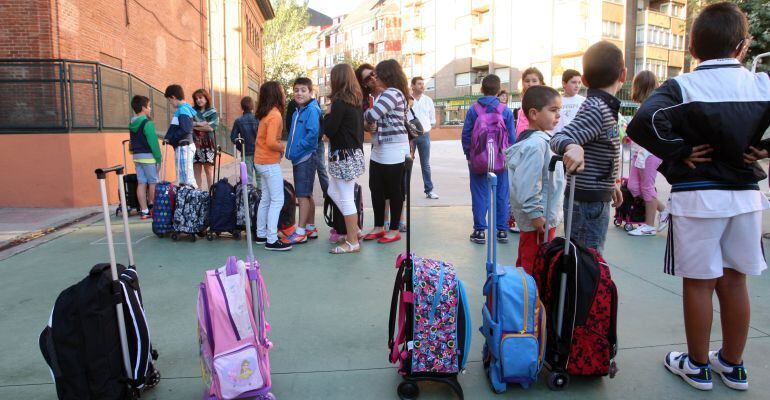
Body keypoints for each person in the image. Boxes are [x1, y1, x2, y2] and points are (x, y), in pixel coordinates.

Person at [628, 2, 770, 391]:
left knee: (699, 282)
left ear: (692, 48)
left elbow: (643, 122)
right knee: (736, 279)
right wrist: (766, 148)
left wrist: (680, 151)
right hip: (744, 197)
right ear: (742, 46)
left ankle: (696, 365)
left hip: (697, 197)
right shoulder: (762, 84)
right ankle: (733, 365)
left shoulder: (682, 86)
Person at [549, 41, 625, 253]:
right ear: (623, 75)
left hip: (594, 198)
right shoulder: (597, 108)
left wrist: (610, 184)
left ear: (583, 80)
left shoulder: (603, 107)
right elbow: (558, 138)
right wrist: (572, 146)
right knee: (585, 263)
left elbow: (599, 152)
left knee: (588, 260)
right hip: (586, 204)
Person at [506, 86, 564, 273]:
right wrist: (536, 216)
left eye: (559, 111)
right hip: (539, 222)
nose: (558, 115)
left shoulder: (537, 141)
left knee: (528, 262)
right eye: (553, 110)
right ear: (533, 113)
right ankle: (530, 301)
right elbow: (528, 185)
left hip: (540, 219)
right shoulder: (536, 145)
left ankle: (524, 298)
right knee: (534, 268)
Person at [461, 74, 516, 244]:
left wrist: (468, 155)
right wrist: (508, 157)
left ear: (482, 89)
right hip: (500, 159)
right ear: (499, 90)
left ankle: (479, 232)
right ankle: (502, 231)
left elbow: (466, 135)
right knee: (501, 194)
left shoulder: (473, 109)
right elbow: (512, 138)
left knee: (479, 194)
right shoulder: (505, 110)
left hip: (478, 159)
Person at [361, 59, 411, 244]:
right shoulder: (383, 95)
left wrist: (367, 117)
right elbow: (371, 121)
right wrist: (369, 121)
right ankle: (379, 226)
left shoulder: (393, 93)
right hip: (380, 148)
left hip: (394, 149)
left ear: (386, 75)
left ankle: (394, 229)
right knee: (376, 189)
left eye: (377, 74)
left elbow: (371, 115)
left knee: (394, 190)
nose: (374, 78)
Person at [323, 63, 366, 254]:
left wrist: (326, 117)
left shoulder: (340, 103)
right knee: (333, 190)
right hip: (352, 154)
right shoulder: (356, 101)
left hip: (343, 156)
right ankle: (354, 231)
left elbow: (330, 130)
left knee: (347, 198)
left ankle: (352, 242)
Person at [625, 71, 669, 236]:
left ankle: (649, 225)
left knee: (646, 186)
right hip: (640, 152)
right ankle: (664, 210)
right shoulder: (646, 106)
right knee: (633, 186)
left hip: (649, 153)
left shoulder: (654, 107)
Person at [283, 77, 322, 245]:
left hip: (305, 157)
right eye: (296, 90)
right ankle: (310, 228)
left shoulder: (312, 110)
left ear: (310, 92)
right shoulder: (297, 111)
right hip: (300, 157)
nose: (299, 93)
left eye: (303, 90)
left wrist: (296, 150)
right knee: (307, 194)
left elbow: (313, 135)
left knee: (302, 195)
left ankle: (300, 232)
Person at [253, 81, 291, 251]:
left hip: (260, 161)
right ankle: (271, 239)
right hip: (269, 162)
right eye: (282, 91)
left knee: (266, 199)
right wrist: (282, 147)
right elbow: (270, 142)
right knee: (277, 200)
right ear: (277, 94)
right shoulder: (275, 115)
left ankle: (261, 234)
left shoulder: (265, 114)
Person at [128, 95, 162, 219]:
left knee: (141, 183)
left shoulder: (132, 123)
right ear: (143, 108)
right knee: (153, 182)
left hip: (137, 157)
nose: (150, 108)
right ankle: (153, 207)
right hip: (148, 157)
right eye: (149, 106)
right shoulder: (147, 123)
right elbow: (153, 142)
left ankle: (144, 210)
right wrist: (158, 158)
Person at [410, 76, 439, 200]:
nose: (422, 86)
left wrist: (426, 128)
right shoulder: (407, 100)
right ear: (412, 86)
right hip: (410, 136)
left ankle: (429, 190)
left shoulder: (428, 100)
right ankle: (404, 191)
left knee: (425, 164)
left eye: (423, 83)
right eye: (419, 84)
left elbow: (432, 119)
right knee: (408, 164)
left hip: (424, 135)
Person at [163, 84, 197, 188]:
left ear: (173, 97)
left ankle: (192, 200)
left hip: (184, 146)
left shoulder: (182, 110)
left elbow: (185, 129)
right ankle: (191, 199)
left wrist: (171, 138)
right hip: (185, 145)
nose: (170, 103)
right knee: (185, 176)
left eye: (169, 100)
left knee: (186, 178)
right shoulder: (186, 108)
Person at [191, 89, 219, 189]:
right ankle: (199, 196)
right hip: (195, 145)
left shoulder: (212, 112)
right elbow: (188, 125)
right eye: (196, 98)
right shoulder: (192, 111)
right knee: (196, 171)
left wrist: (195, 126)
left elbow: (211, 127)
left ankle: (211, 196)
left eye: (200, 97)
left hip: (208, 145)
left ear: (206, 98)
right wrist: (202, 124)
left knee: (209, 172)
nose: (198, 100)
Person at [230, 96, 259, 187]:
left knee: (247, 178)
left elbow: (233, 137)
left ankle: (248, 198)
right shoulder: (258, 120)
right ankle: (261, 197)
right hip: (259, 152)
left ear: (242, 107)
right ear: (252, 107)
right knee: (260, 177)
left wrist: (241, 147)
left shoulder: (239, 121)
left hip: (246, 152)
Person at [515, 67, 545, 137]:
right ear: (522, 83)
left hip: (535, 135)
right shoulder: (523, 97)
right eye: (527, 81)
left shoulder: (544, 98)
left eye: (534, 81)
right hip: (521, 135)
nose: (530, 84)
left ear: (540, 82)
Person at [554, 69, 585, 133]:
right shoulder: (554, 101)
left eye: (579, 82)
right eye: (573, 82)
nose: (577, 85)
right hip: (559, 138)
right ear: (564, 83)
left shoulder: (584, 101)